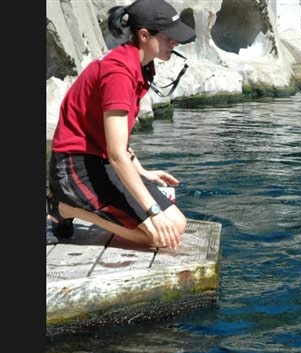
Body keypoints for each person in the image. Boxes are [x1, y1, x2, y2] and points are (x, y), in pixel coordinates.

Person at [47, 0, 196, 249]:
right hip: (76, 165)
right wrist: (153, 212)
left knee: (177, 225)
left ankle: (79, 205)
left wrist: (142, 171)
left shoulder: (141, 66)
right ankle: (64, 206)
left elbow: (117, 142)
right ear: (144, 35)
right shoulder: (119, 74)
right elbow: (116, 155)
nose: (175, 42)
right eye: (169, 37)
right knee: (157, 237)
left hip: (103, 160)